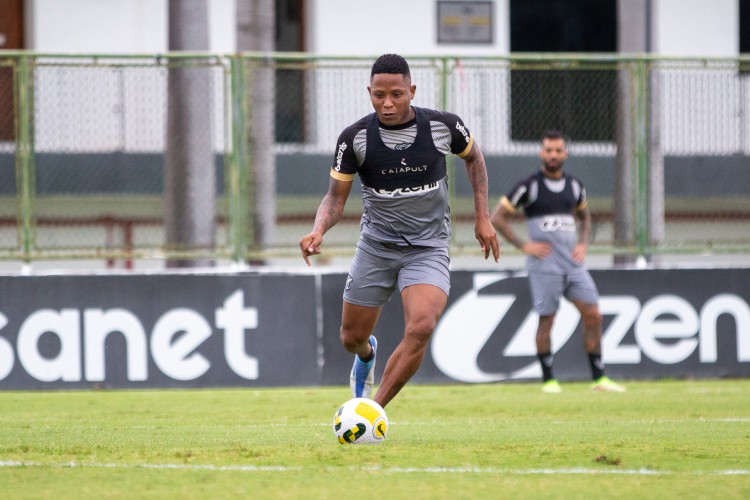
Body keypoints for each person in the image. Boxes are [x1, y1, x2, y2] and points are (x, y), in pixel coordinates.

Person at [300, 54, 500, 408]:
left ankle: (371, 410)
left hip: (427, 247)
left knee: (421, 327)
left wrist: (482, 217)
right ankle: (367, 354)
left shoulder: (444, 127)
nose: (387, 103)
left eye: (396, 94)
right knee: (351, 337)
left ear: (412, 90)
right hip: (376, 246)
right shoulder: (355, 139)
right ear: (369, 92)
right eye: (379, 95)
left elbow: (474, 158)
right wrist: (318, 231)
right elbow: (335, 198)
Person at [490, 130, 624, 393]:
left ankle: (599, 379)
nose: (553, 155)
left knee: (594, 314)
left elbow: (585, 217)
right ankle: (549, 379)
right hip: (545, 267)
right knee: (547, 320)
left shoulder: (575, 186)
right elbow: (497, 217)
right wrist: (524, 245)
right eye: (548, 150)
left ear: (565, 154)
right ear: (541, 153)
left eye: (557, 150)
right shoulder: (528, 186)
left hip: (573, 266)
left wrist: (583, 244)